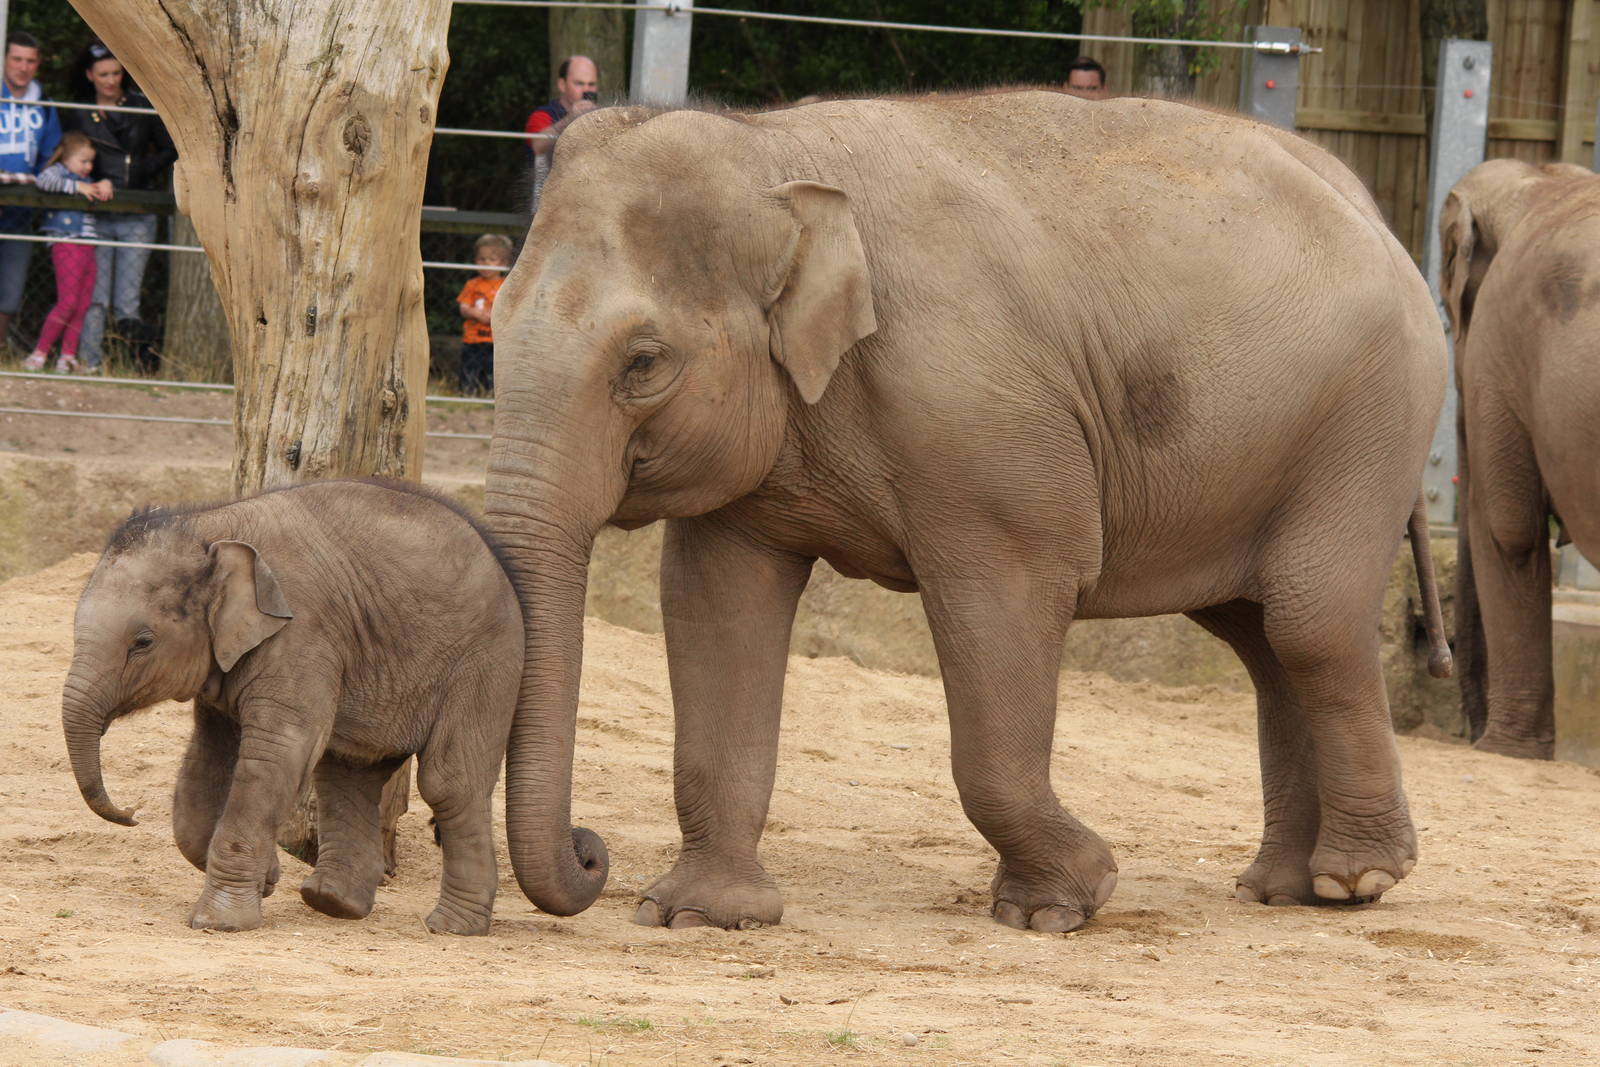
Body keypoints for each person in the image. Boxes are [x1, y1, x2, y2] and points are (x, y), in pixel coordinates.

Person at [63, 40, 177, 374]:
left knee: (128, 300)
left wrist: (135, 173)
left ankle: (134, 367)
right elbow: (68, 156)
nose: (111, 80)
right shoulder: (81, 114)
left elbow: (170, 148)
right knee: (95, 299)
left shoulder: (142, 107)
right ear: (90, 76)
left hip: (137, 215)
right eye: (103, 75)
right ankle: (90, 363)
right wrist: (91, 181)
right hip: (96, 214)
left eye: (116, 73)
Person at [22, 130, 112, 373]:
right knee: (68, 302)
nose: (88, 166)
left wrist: (105, 183)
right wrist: (77, 186)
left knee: (82, 304)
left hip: (87, 246)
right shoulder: (58, 173)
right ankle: (39, 353)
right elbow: (44, 181)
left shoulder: (88, 179)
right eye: (83, 161)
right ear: (67, 158)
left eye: (91, 161)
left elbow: (101, 187)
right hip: (66, 243)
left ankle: (68, 356)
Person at [0, 30, 62, 351]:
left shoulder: (45, 104)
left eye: (30, 61)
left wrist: (43, 178)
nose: (23, 67)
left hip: (20, 210)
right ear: (4, 59)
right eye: (16, 59)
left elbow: (50, 156)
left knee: (11, 283)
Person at [524, 55, 598, 211]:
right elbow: (538, 146)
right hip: (547, 206)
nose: (586, 90)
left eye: (591, 84)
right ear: (562, 84)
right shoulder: (543, 115)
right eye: (579, 83)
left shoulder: (602, 117)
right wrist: (571, 118)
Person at [456, 233, 512, 394]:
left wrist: (495, 316)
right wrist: (476, 314)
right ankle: (467, 394)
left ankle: (490, 395)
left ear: (504, 263)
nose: (486, 263)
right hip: (473, 339)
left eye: (492, 260)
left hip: (497, 340)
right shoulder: (472, 284)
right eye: (482, 259)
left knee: (492, 372)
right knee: (470, 368)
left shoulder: (507, 284)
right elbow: (464, 307)